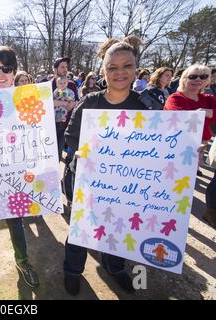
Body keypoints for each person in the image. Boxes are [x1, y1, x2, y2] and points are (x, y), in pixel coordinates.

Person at [63, 36, 146, 295]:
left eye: (127, 66)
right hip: (88, 181)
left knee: (118, 227)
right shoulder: (89, 103)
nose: (120, 72)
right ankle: (72, 270)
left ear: (135, 69)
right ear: (103, 70)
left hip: (127, 185)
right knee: (81, 229)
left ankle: (115, 267)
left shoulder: (146, 106)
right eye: (112, 67)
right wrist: (77, 151)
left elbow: (162, 147)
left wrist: (185, 149)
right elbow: (69, 137)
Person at [0, 46, 39, 289]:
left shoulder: (27, 102)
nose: (1, 73)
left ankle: (22, 262)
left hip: (17, 173)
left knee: (16, 222)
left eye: (7, 68)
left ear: (14, 72)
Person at [164, 64, 216, 227]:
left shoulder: (209, 99)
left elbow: (213, 118)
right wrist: (202, 113)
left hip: (199, 148)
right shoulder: (175, 98)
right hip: (176, 148)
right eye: (193, 76)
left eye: (203, 77)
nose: (198, 80)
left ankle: (176, 219)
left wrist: (200, 114)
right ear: (184, 79)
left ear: (208, 81)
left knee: (186, 185)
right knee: (171, 184)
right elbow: (179, 119)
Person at [53, 76, 76, 160]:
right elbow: (52, 99)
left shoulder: (70, 91)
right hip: (56, 111)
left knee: (63, 112)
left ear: (67, 83)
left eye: (64, 83)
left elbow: (72, 101)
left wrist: (67, 98)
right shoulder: (56, 91)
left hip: (64, 110)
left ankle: (63, 118)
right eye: (60, 83)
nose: (62, 85)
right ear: (57, 84)